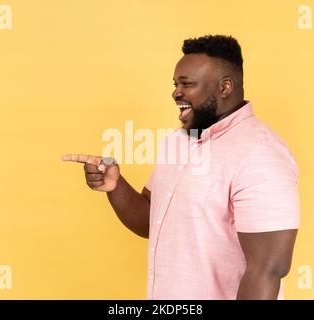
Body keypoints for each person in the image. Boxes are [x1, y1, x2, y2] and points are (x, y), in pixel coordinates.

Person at [62, 35, 299, 300]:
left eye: (187, 84)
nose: (176, 92)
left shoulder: (261, 153)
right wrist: (116, 185)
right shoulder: (178, 140)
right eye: (176, 84)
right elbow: (153, 220)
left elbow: (267, 270)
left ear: (225, 87)